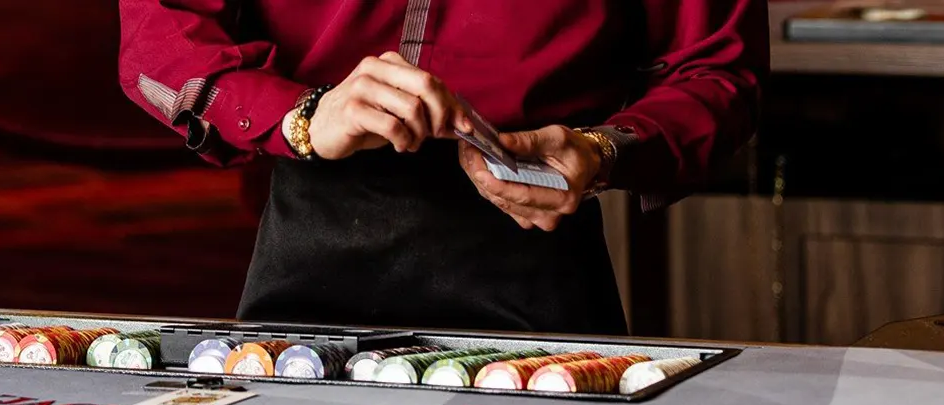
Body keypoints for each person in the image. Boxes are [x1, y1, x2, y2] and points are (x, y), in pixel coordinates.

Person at [118, 1, 765, 334]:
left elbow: (721, 68)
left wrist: (604, 148)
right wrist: (303, 116)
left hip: (536, 263)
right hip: (307, 247)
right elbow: (158, 41)